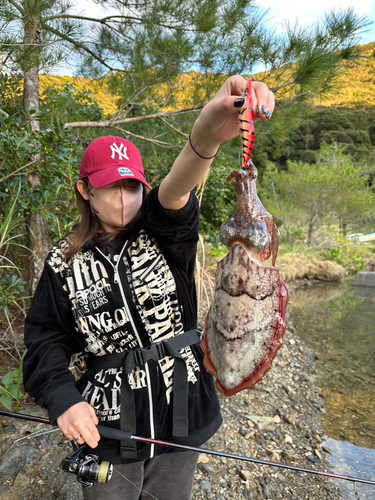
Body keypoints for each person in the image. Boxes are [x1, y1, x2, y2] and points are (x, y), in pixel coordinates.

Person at [23, 75, 275, 500]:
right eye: (109, 186)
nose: (124, 199)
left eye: (132, 185)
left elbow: (176, 190)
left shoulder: (163, 229)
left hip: (183, 404)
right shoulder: (62, 260)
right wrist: (63, 398)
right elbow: (46, 339)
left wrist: (205, 135)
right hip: (108, 416)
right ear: (85, 189)